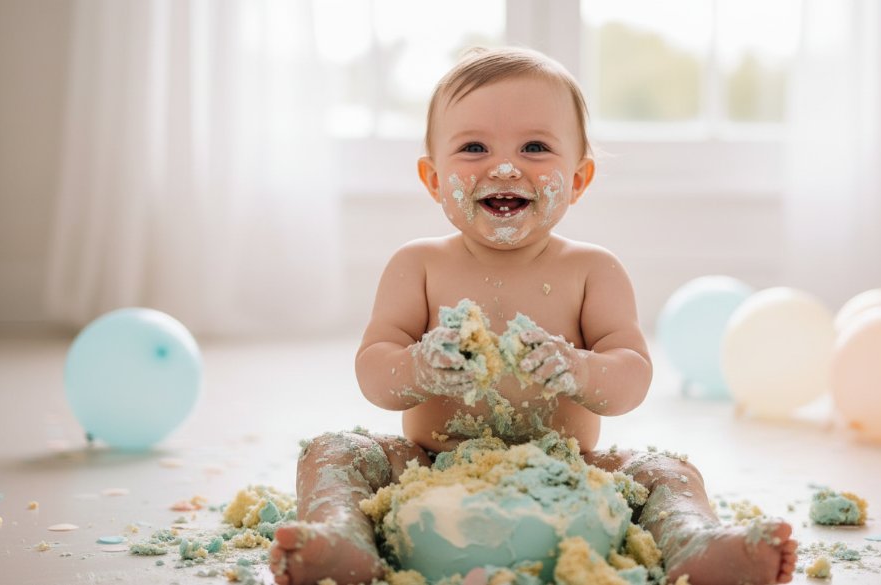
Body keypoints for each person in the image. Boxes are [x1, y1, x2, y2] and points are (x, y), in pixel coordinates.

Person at [269, 46, 797, 585]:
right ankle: (340, 540)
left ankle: (696, 544)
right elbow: (374, 373)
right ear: (432, 179)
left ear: (577, 179)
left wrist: (580, 369)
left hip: (571, 470)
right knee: (334, 452)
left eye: (535, 147)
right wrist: (419, 367)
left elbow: (632, 379)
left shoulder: (593, 271)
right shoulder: (418, 265)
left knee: (667, 472)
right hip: (427, 466)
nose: (503, 166)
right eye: (474, 147)